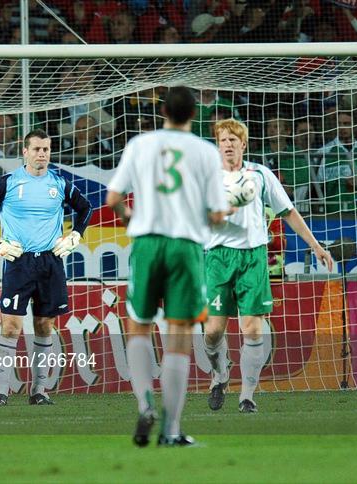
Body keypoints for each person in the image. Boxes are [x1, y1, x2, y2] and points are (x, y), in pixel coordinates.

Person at [106, 86, 229, 447]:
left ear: (162, 112)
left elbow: (113, 198)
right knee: (178, 338)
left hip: (147, 242)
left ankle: (145, 403)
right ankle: (171, 431)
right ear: (194, 114)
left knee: (139, 328)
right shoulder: (206, 153)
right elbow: (218, 213)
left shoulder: (140, 145)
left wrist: (131, 216)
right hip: (185, 246)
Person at [203, 119, 333, 413]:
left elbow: (288, 211)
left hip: (253, 258)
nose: (228, 145)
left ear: (243, 144)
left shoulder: (260, 174)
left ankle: (247, 395)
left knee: (252, 329)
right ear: (217, 144)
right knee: (212, 331)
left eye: (233, 140)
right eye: (223, 140)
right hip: (218, 259)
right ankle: (220, 375)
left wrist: (315, 245)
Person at [0, 128, 92, 406]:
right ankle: (1, 391)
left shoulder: (59, 184)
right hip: (18, 262)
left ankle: (39, 390)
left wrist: (76, 235)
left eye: (46, 149)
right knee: (10, 326)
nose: (42, 154)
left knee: (44, 325)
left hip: (51, 261)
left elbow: (86, 208)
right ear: (25, 152)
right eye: (36, 149)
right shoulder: (9, 182)